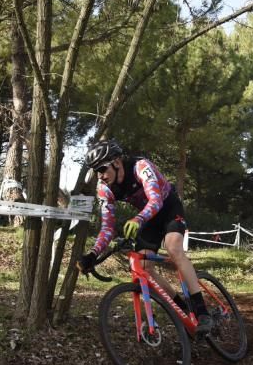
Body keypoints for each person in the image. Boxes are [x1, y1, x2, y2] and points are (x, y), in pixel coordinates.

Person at [78, 139, 213, 334]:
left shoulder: (141, 167)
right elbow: (107, 227)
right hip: (148, 217)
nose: (100, 176)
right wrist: (93, 254)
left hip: (167, 207)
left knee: (174, 248)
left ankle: (202, 312)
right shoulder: (105, 189)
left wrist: (138, 219)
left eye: (102, 169)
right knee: (144, 267)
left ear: (116, 162)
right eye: (95, 171)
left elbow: (156, 200)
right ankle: (183, 308)